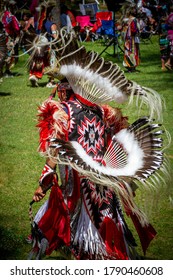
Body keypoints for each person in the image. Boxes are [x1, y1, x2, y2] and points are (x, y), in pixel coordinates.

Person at [27, 35, 168, 260]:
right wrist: (127, 177)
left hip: (79, 183)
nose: (58, 92)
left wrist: (43, 184)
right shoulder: (104, 111)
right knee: (106, 218)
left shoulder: (62, 113)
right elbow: (119, 140)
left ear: (64, 88)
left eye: (59, 88)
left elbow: (53, 152)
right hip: (104, 180)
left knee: (81, 227)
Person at [121, 2, 141, 72]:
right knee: (133, 52)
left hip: (127, 40)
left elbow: (122, 30)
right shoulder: (134, 20)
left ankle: (129, 66)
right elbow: (134, 30)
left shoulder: (126, 20)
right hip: (132, 39)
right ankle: (132, 67)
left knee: (128, 52)